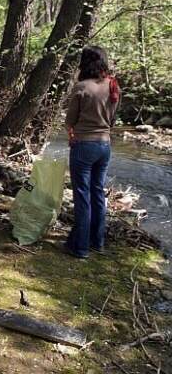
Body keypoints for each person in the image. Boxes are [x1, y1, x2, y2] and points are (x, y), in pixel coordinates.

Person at [64, 46, 120, 258]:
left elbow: (70, 121)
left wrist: (73, 133)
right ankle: (98, 242)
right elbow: (113, 120)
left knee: (82, 196)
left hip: (83, 146)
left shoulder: (82, 87)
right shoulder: (113, 85)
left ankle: (80, 247)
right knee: (98, 193)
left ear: (84, 63)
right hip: (105, 146)